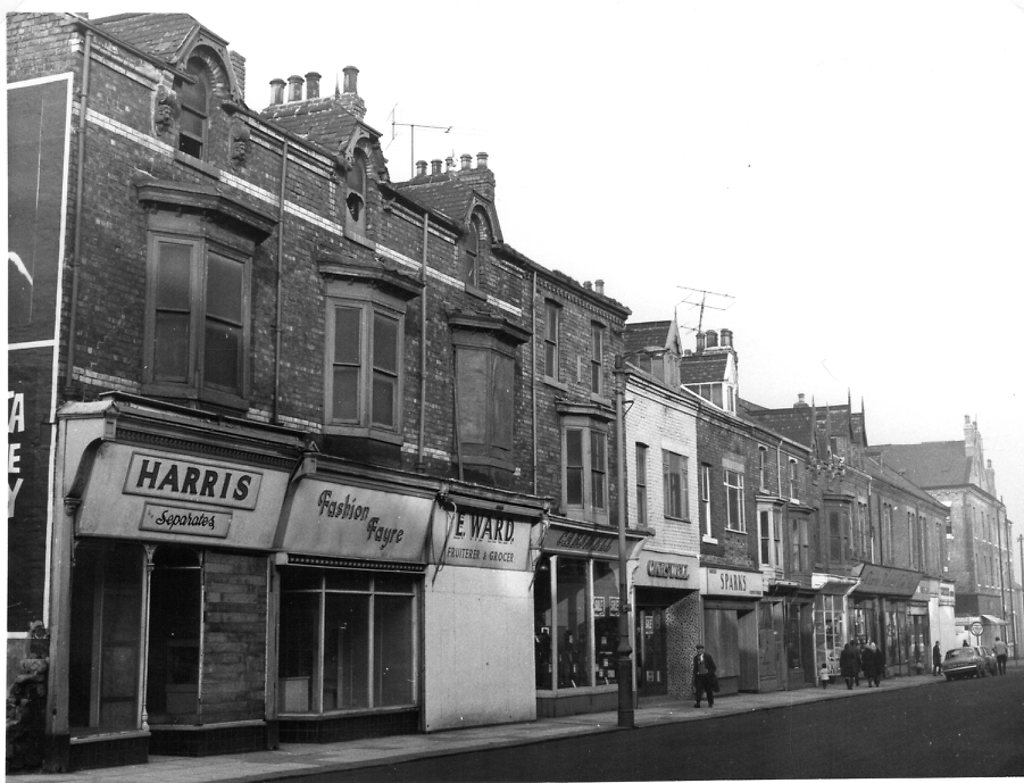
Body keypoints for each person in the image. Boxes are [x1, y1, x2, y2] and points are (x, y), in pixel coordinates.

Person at [692, 643, 717, 708]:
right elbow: (695, 668)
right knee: (699, 690)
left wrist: (709, 673)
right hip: (699, 677)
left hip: (707, 677)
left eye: (700, 649)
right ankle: (698, 703)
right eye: (698, 650)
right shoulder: (695, 658)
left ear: (703, 650)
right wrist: (696, 673)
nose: (699, 651)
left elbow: (713, 667)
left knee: (709, 690)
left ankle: (710, 703)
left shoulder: (708, 656)